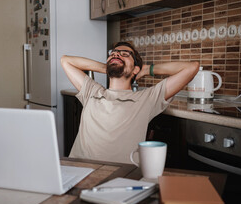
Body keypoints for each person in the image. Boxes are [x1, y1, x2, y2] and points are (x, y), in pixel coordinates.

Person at [61, 41, 199, 164]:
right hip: (79, 170)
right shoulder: (91, 90)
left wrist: (147, 69)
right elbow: (65, 60)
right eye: (113, 54)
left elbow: (192, 67)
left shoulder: (147, 98)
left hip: (120, 177)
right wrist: (109, 67)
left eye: (125, 54)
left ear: (136, 69)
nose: (116, 55)